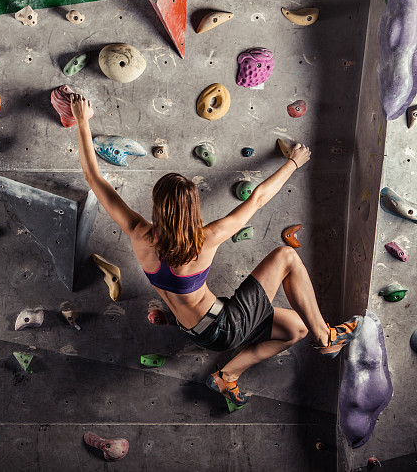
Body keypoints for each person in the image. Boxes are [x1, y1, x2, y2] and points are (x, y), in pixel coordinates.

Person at [71, 93, 362, 408]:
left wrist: (83, 120)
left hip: (196, 331)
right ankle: (328, 338)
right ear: (193, 208)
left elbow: (93, 177)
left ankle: (227, 376)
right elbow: (258, 198)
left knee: (296, 329)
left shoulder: (140, 234)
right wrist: (293, 162)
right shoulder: (205, 238)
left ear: (158, 206)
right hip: (225, 325)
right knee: (286, 257)